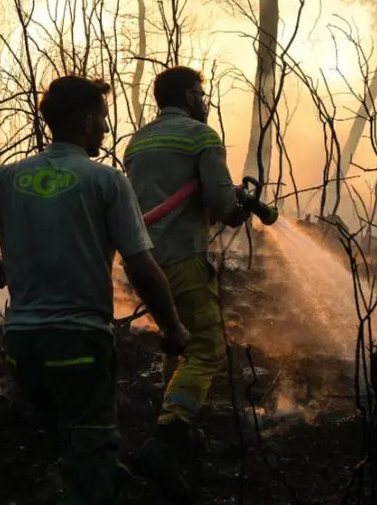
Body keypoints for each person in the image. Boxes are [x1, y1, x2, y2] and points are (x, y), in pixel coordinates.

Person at [0, 75, 190, 505]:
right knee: (91, 465)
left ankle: (96, 470)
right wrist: (173, 328)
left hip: (22, 349)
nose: (106, 128)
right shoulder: (106, 181)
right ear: (86, 121)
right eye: (102, 118)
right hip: (78, 345)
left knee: (72, 441)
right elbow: (142, 268)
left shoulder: (6, 179)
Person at [121, 66, 249, 498]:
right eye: (201, 95)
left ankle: (178, 426)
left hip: (143, 262)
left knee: (177, 339)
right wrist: (234, 208)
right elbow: (220, 198)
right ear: (191, 97)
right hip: (182, 259)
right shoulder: (201, 136)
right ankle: (168, 437)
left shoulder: (138, 141)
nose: (205, 103)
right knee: (206, 347)